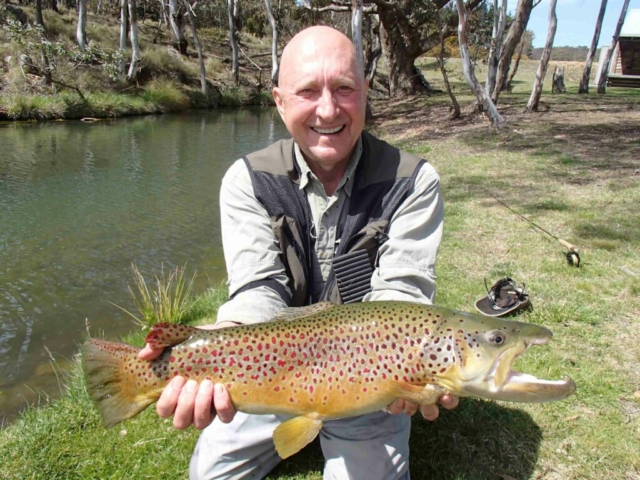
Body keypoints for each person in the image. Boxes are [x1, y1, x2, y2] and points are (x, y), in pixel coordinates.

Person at [139, 25, 458, 479]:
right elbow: (257, 286)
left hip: (369, 379)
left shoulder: (413, 182)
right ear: (279, 100)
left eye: (344, 89)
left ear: (366, 92)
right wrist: (221, 336)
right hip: (270, 372)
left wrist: (413, 365)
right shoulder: (247, 180)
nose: (327, 109)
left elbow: (403, 295)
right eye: (307, 90)